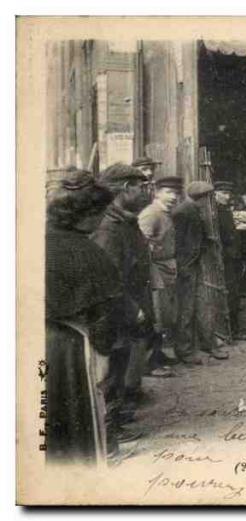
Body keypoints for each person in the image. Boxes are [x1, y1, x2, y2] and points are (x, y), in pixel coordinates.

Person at [45, 169, 120, 464]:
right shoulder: (89, 253)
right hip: (70, 348)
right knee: (76, 422)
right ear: (87, 215)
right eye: (100, 212)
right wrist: (103, 359)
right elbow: (103, 314)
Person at [92, 164, 154, 446]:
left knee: (120, 365)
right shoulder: (109, 227)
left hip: (126, 308)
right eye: (140, 186)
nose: (144, 191)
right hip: (114, 312)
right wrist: (132, 308)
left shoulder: (123, 220)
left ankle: (116, 422)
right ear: (125, 189)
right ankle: (108, 434)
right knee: (110, 373)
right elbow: (107, 277)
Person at [172, 181, 230, 364]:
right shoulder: (183, 212)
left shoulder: (195, 210)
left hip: (194, 264)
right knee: (187, 309)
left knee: (202, 305)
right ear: (203, 198)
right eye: (208, 197)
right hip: (186, 267)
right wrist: (183, 266)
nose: (209, 201)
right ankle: (185, 350)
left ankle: (206, 343)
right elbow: (178, 243)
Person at [138, 176, 183, 376]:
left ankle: (158, 354)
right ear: (156, 192)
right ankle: (149, 363)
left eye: (176, 193)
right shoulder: (151, 214)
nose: (173, 197)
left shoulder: (166, 213)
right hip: (155, 269)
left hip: (167, 266)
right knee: (157, 315)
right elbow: (141, 243)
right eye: (168, 192)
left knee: (165, 315)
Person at [214, 181, 246, 341]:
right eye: (223, 193)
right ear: (215, 194)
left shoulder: (224, 210)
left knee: (233, 293)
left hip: (232, 256)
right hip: (225, 257)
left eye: (229, 193)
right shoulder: (216, 212)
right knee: (230, 294)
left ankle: (233, 330)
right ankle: (232, 331)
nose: (227, 196)